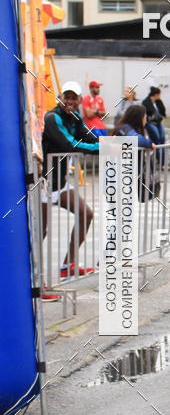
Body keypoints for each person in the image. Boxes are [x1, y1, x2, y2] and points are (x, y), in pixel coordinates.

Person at [41, 81, 98, 277]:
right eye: (67, 96)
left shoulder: (75, 117)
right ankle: (33, 281)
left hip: (59, 183)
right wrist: (106, 148)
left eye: (74, 97)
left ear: (80, 100)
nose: (70, 101)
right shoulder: (52, 118)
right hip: (43, 184)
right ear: (60, 98)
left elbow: (91, 139)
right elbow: (70, 145)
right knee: (40, 232)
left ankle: (68, 266)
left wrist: (118, 144)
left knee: (86, 214)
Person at [115, 103, 159, 201]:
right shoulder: (124, 128)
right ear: (138, 117)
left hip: (132, 175)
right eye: (144, 115)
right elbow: (134, 139)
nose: (146, 117)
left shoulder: (138, 129)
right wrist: (149, 143)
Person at [142, 87, 166, 161]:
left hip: (158, 122)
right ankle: (159, 159)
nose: (160, 96)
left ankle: (162, 160)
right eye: (159, 94)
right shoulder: (146, 102)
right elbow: (146, 113)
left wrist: (161, 116)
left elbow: (162, 110)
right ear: (156, 94)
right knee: (157, 139)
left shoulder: (158, 102)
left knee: (162, 139)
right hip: (150, 123)